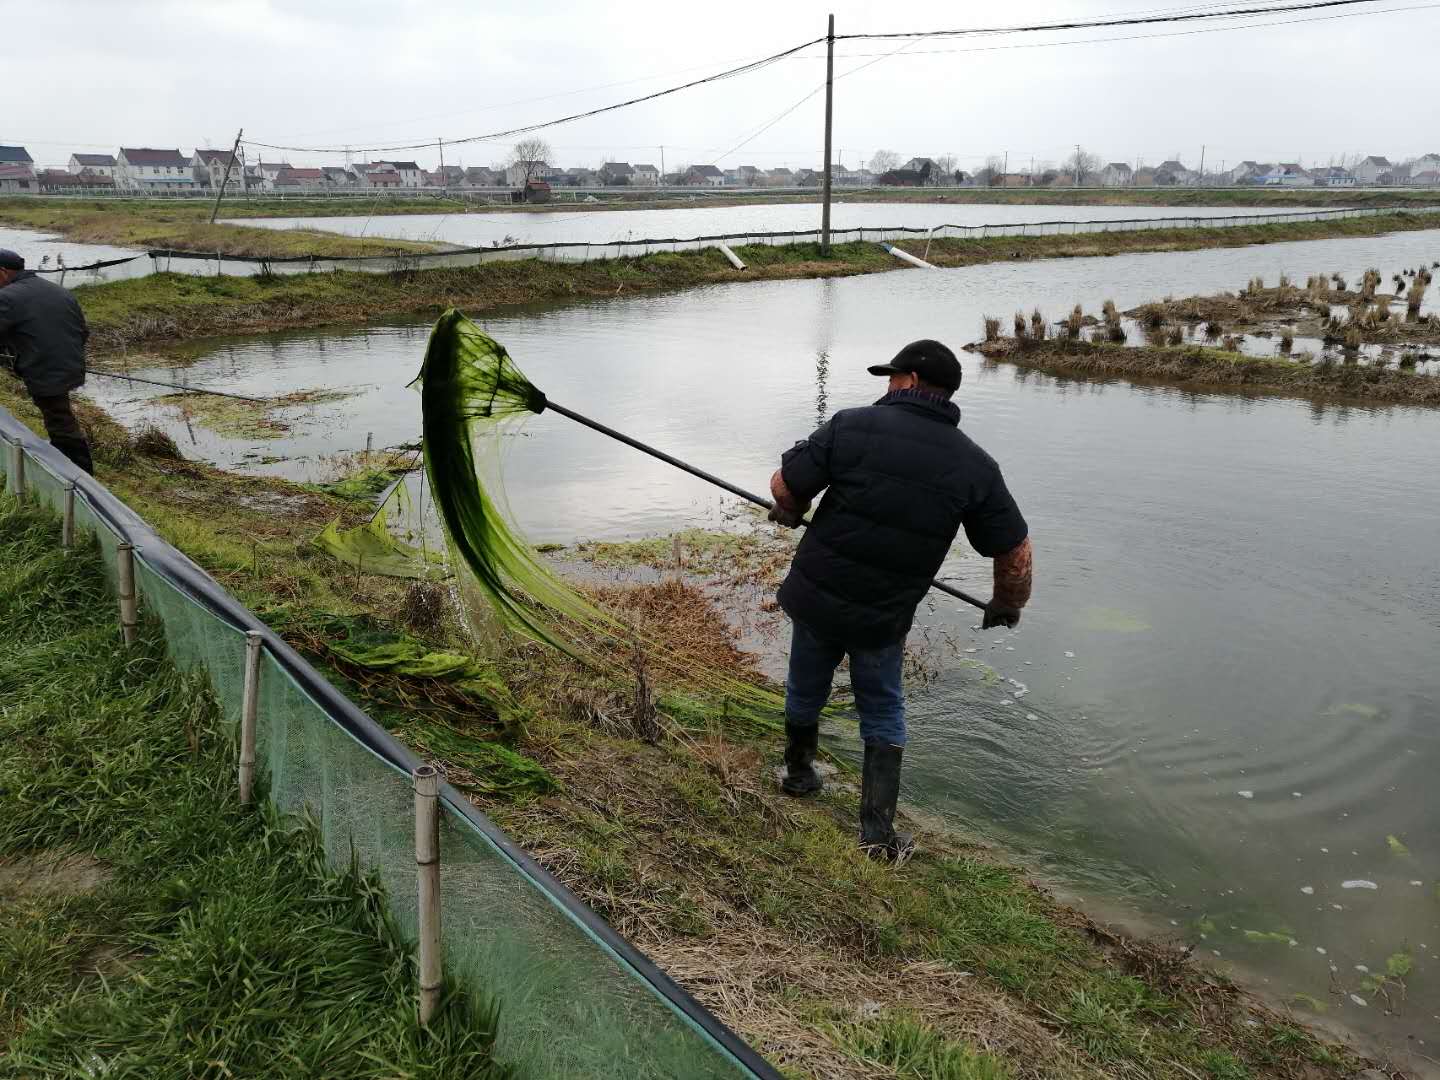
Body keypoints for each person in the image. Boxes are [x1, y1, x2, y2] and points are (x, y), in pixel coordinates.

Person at [768, 339, 1032, 860]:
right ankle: (877, 836)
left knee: (805, 684)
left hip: (819, 594)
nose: (886, 385)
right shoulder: (975, 464)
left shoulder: (851, 424)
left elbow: (785, 484)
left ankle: (798, 776)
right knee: (883, 708)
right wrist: (1007, 604)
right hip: (883, 614)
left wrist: (790, 508)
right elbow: (1015, 550)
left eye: (891, 376)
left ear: (909, 381)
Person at [0, 249, 93, 474]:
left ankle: (81, 474)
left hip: (45, 366)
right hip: (69, 362)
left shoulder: (7, 297)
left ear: (2, 273)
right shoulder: (57, 289)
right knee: (59, 414)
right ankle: (67, 461)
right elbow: (83, 331)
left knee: (59, 420)